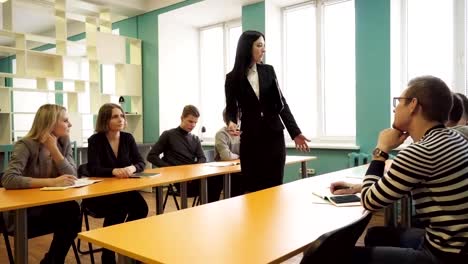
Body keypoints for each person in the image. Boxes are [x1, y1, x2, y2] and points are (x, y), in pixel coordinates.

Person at [342, 76, 468, 264]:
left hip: (444, 254)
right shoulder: (455, 137)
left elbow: (370, 201)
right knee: (376, 235)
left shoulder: (421, 152)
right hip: (459, 245)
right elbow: (406, 182)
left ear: (413, 105)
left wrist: (381, 149)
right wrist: (359, 187)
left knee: (335, 257)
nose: (395, 108)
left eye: (399, 101)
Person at [224, 30, 310, 192]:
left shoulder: (268, 71)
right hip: (250, 139)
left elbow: (281, 103)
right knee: (252, 186)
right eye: (259, 45)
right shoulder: (232, 78)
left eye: (264, 46)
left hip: (274, 137)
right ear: (247, 47)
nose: (263, 50)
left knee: (274, 185)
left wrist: (295, 132)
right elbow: (231, 108)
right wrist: (231, 122)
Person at [1, 104, 81, 263]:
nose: (70, 124)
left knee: (72, 210)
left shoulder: (63, 143)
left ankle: (52, 260)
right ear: (51, 123)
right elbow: (9, 179)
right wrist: (52, 182)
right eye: (65, 121)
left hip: (49, 206)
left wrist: (54, 150)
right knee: (70, 214)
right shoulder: (26, 145)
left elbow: (72, 176)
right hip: (23, 212)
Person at [83, 103, 148, 264]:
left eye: (121, 116)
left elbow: (140, 162)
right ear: (105, 120)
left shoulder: (127, 138)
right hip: (101, 194)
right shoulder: (95, 140)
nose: (121, 119)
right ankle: (109, 254)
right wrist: (113, 171)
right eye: (115, 116)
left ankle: (125, 243)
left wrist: (132, 168)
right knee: (118, 210)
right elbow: (94, 168)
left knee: (142, 208)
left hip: (123, 190)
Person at [147, 105, 223, 203]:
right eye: (190, 121)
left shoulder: (195, 139)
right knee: (214, 183)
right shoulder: (168, 135)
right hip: (179, 179)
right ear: (182, 118)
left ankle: (207, 211)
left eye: (195, 122)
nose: (193, 125)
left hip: (193, 177)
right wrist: (170, 168)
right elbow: (151, 156)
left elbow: (202, 158)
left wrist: (193, 171)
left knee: (217, 179)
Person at [214, 108, 244, 196]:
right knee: (238, 182)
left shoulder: (241, 132)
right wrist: (239, 156)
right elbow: (226, 156)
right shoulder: (221, 134)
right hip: (223, 172)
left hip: (238, 169)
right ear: (225, 120)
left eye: (237, 118)